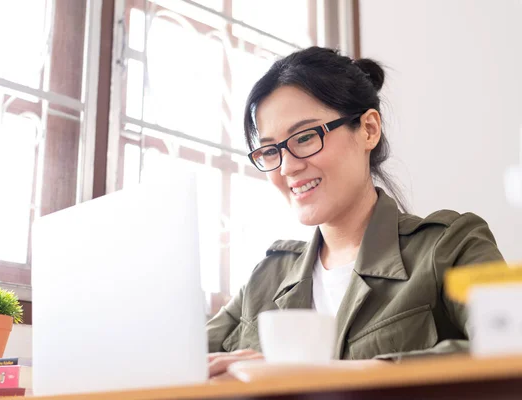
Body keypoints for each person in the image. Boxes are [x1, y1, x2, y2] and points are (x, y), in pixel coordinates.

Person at [206, 46, 504, 378]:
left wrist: (332, 373)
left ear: (368, 129)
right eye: (270, 150)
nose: (287, 167)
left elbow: (508, 348)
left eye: (305, 137)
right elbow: (174, 363)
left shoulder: (451, 245)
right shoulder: (267, 277)